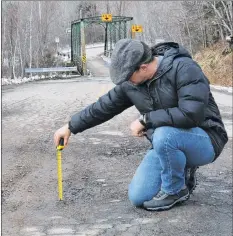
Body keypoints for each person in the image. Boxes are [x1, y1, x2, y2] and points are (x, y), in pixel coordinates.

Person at [54, 39, 228, 211]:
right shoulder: (132, 83)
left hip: (206, 138)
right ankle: (180, 168)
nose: (126, 82)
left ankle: (176, 190)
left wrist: (146, 120)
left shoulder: (184, 68)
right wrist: (70, 127)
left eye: (128, 77)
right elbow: (103, 107)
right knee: (138, 196)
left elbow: (191, 114)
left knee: (163, 136)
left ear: (143, 67)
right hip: (166, 142)